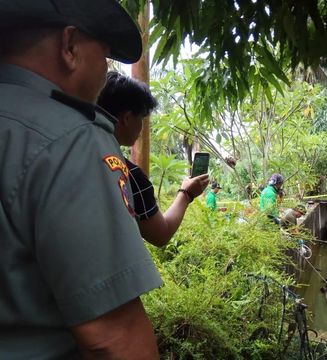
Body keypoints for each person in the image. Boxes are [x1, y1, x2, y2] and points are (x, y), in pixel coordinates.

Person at [0, 1, 169, 358]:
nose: (105, 72)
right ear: (70, 46)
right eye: (105, 57)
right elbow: (113, 337)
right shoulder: (72, 139)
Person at [97, 71, 209, 247]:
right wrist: (186, 193)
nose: (142, 127)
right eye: (141, 118)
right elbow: (160, 234)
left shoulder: (78, 153)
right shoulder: (129, 175)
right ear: (127, 118)